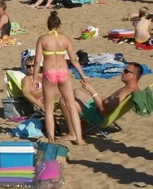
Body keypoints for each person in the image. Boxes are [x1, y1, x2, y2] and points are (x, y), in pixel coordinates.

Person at [32, 12, 88, 144]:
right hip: (63, 72)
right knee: (71, 106)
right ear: (59, 25)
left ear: (48, 25)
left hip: (49, 73)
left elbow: (37, 61)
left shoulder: (43, 39)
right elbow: (74, 60)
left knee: (49, 109)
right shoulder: (65, 39)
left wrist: (35, 78)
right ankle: (79, 138)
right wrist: (82, 75)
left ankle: (52, 139)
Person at [73, 61, 143, 129]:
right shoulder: (132, 90)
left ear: (133, 76)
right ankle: (83, 123)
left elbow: (104, 111)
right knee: (76, 91)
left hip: (99, 118)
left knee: (67, 102)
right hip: (100, 110)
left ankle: (74, 133)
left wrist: (91, 90)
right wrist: (104, 99)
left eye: (126, 71)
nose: (122, 72)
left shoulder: (125, 93)